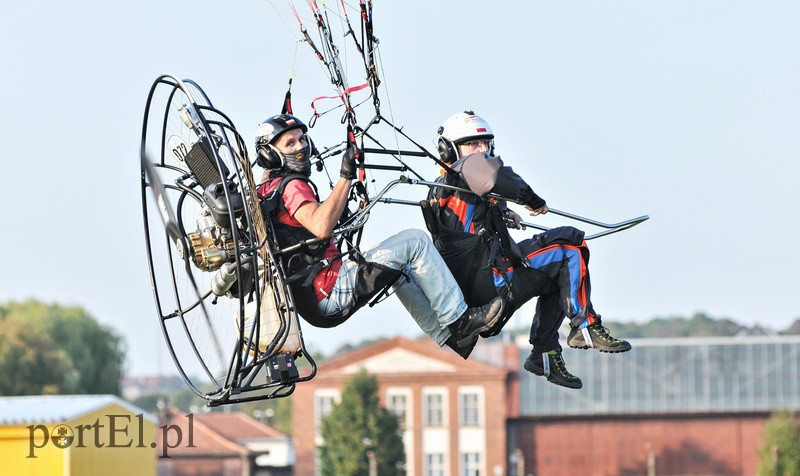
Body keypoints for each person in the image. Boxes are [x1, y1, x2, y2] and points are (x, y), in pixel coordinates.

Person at [254, 114, 505, 353]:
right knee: (414, 242)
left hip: (312, 300)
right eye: (290, 143)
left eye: (302, 139)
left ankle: (450, 337)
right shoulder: (293, 186)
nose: (301, 146)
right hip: (329, 289)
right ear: (270, 154)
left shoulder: (268, 189)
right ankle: (460, 319)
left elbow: (308, 231)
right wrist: (345, 177)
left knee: (400, 266)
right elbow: (321, 226)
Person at [424, 111, 631, 389]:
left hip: (476, 291)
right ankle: (585, 326)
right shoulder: (465, 169)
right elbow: (500, 178)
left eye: (486, 144)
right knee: (571, 246)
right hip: (492, 285)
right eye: (473, 144)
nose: (482, 150)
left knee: (555, 274)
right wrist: (532, 201)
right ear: (448, 149)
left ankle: (544, 354)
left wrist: (502, 210)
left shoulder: (443, 188)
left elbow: (473, 214)